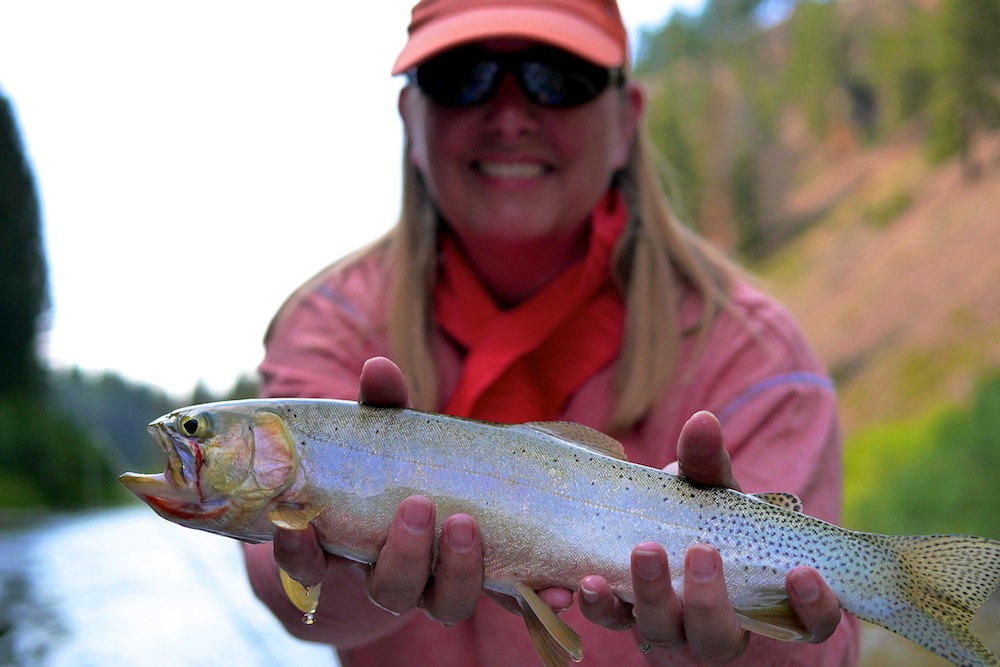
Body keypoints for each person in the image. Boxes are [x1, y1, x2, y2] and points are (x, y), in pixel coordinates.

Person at [243, 0, 862, 664]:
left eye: (557, 75)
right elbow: (283, 589)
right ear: (409, 119)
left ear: (627, 121)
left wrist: (733, 648)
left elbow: (826, 641)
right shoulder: (325, 325)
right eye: (462, 75)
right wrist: (346, 554)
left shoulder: (757, 355)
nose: (509, 116)